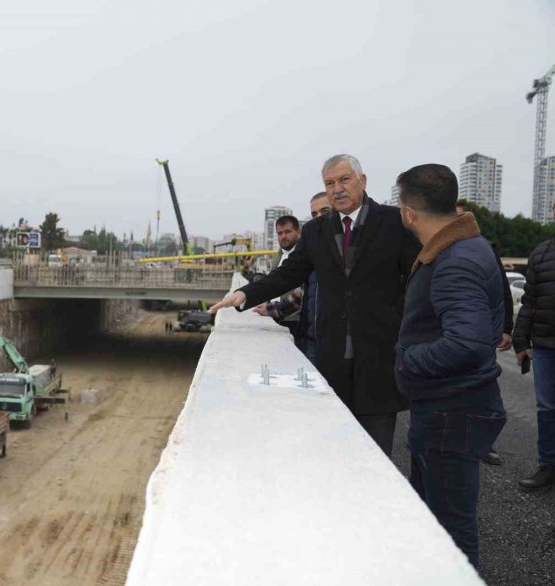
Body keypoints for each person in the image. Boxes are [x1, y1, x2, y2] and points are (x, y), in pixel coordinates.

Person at [209, 154, 421, 455]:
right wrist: (246, 294)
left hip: (379, 360)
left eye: (344, 180)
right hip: (331, 360)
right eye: (330, 183)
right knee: (333, 448)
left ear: (363, 181)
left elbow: (417, 276)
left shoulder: (392, 223)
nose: (337, 189)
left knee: (376, 453)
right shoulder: (315, 231)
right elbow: (289, 273)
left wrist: (405, 325)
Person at [394, 163, 506, 569]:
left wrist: (408, 356)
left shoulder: (454, 259)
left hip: (451, 411)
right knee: (434, 521)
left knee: (450, 533)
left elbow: (468, 342)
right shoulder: (465, 246)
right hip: (448, 408)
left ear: (408, 212)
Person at [456, 199, 513, 467]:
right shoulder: (432, 249)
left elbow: (501, 290)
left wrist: (506, 329)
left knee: (483, 388)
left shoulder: (484, 249)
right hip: (446, 333)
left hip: (480, 335)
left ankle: (485, 442)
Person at [254, 193, 330, 363]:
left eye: (288, 232)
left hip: (302, 325)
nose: (283, 237)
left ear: (299, 231)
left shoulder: (308, 253)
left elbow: (302, 290)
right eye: (280, 233)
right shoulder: (280, 254)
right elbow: (301, 288)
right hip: (302, 327)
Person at [513, 209, 555, 492]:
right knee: (546, 408)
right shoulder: (541, 253)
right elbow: (529, 302)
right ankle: (547, 467)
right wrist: (519, 341)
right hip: (545, 346)